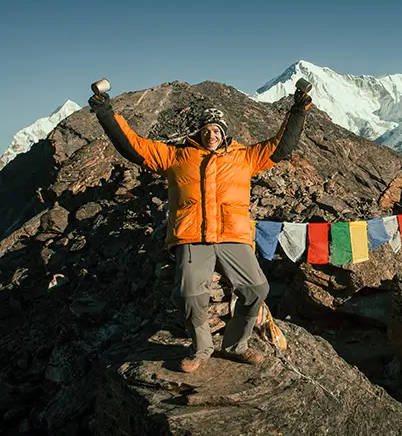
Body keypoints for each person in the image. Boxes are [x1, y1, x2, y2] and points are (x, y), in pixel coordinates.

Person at [88, 86, 312, 372]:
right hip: (192, 236)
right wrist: (105, 111)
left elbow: (282, 145)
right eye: (206, 129)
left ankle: (235, 345)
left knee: (257, 289)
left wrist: (299, 109)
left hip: (233, 235)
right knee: (190, 295)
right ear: (197, 133)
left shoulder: (245, 157)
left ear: (225, 133)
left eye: (217, 130)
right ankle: (201, 348)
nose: (211, 134)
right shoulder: (175, 157)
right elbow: (133, 146)